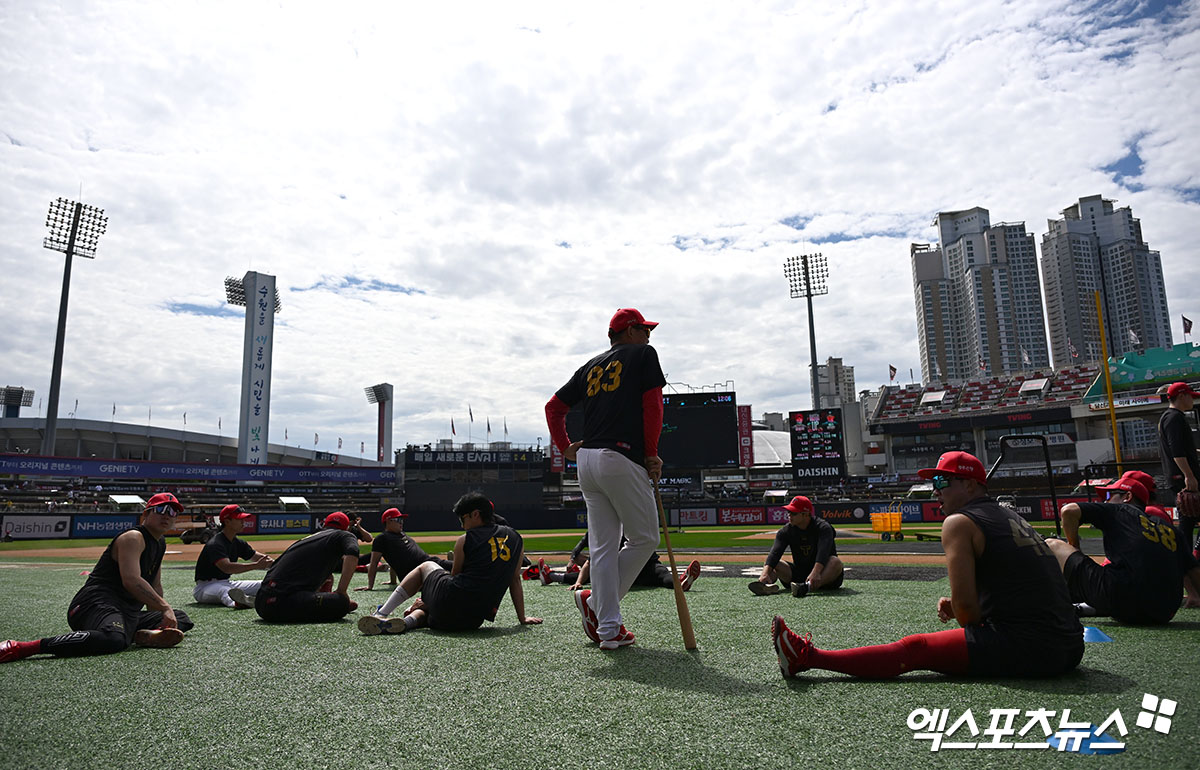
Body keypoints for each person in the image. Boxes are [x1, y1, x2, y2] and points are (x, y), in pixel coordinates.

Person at [771, 451, 1083, 679]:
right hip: (1068, 642)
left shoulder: (959, 522)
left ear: (971, 485)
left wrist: (962, 608)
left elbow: (968, 618)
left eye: (942, 481)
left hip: (1036, 648)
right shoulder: (1009, 514)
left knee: (914, 649)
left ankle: (807, 658)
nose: (935, 490)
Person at [545, 307, 666, 651]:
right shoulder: (643, 353)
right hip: (620, 456)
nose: (648, 335)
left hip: (586, 461)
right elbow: (653, 405)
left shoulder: (589, 365)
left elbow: (553, 407)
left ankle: (609, 630)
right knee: (644, 540)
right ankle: (598, 605)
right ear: (629, 331)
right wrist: (651, 453)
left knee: (602, 548)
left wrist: (565, 447)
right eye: (644, 329)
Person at [1, 493, 195, 663]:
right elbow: (132, 580)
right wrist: (164, 608)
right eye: (161, 509)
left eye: (172, 512)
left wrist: (161, 622)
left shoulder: (159, 543)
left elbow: (155, 584)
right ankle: (25, 647)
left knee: (181, 619)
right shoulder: (134, 537)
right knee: (114, 639)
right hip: (93, 604)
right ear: (146, 514)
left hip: (126, 612)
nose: (167, 515)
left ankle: (140, 634)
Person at [356, 493, 541, 634]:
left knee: (426, 566)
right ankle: (409, 622)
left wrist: (427, 599)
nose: (462, 525)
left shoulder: (465, 539)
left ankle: (382, 613)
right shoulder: (517, 538)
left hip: (450, 603)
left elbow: (454, 578)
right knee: (436, 612)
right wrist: (522, 618)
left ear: (475, 514)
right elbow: (515, 580)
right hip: (472, 620)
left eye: (463, 519)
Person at [1046, 478, 1200, 622]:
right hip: (1165, 612)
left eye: (1109, 494)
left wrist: (1075, 548)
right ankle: (1087, 607)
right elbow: (1194, 571)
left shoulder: (1119, 510)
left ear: (1127, 496)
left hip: (1121, 599)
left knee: (1052, 544)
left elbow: (1068, 511)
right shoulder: (1169, 528)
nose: (1105, 500)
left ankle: (1051, 603)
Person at [254, 512, 361, 623]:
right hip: (281, 603)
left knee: (329, 578)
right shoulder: (344, 534)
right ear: (347, 528)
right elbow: (353, 551)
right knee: (342, 603)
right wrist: (342, 591)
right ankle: (332, 601)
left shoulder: (308, 539)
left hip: (261, 602)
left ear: (324, 525)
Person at [749, 495, 844, 597]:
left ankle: (806, 587)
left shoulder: (823, 528)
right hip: (799, 573)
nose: (789, 515)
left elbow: (823, 552)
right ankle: (766, 585)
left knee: (835, 562)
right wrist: (765, 573)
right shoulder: (786, 531)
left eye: (793, 513)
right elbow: (775, 553)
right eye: (788, 512)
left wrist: (816, 573)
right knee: (774, 563)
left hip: (824, 575)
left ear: (806, 514)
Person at [540, 534, 700, 592]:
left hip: (633, 570)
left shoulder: (617, 528)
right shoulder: (613, 531)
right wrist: (579, 580)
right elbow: (589, 560)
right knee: (662, 574)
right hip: (635, 569)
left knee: (662, 574)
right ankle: (551, 576)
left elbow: (590, 562)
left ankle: (552, 576)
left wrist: (580, 581)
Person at [192, 504, 274, 609]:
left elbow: (258, 557)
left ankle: (254, 598)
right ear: (227, 521)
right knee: (224, 591)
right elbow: (227, 567)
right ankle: (238, 603)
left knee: (263, 584)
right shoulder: (215, 544)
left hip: (227, 583)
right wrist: (256, 566)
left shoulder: (237, 542)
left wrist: (279, 565)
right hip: (205, 587)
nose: (243, 522)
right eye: (239, 519)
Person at [354, 508, 451, 592]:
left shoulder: (401, 534)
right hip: (420, 574)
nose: (401, 522)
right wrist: (370, 586)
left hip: (431, 563)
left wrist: (393, 581)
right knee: (453, 574)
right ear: (388, 521)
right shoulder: (382, 538)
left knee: (456, 566)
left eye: (402, 520)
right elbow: (374, 562)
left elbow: (392, 559)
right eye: (398, 520)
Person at [1158, 381, 1200, 551]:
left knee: (1187, 522)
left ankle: (1189, 559)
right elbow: (1176, 451)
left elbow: (1179, 448)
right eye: (1190, 396)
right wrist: (1189, 475)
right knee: (1186, 523)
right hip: (1183, 478)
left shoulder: (1170, 417)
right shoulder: (1174, 417)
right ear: (1182, 396)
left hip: (1180, 476)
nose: (1193, 400)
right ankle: (1188, 561)